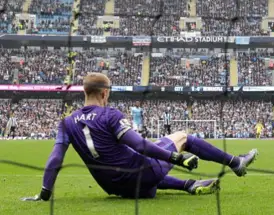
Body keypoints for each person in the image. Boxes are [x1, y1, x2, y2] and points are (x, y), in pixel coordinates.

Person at [21, 73, 258, 202]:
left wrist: (44, 194)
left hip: (116, 189)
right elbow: (139, 143)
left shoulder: (66, 122)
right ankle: (235, 163)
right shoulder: (109, 115)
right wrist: (176, 158)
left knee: (137, 166)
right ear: (105, 93)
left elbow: (55, 159)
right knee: (182, 136)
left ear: (84, 92)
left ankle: (188, 185)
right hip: (143, 174)